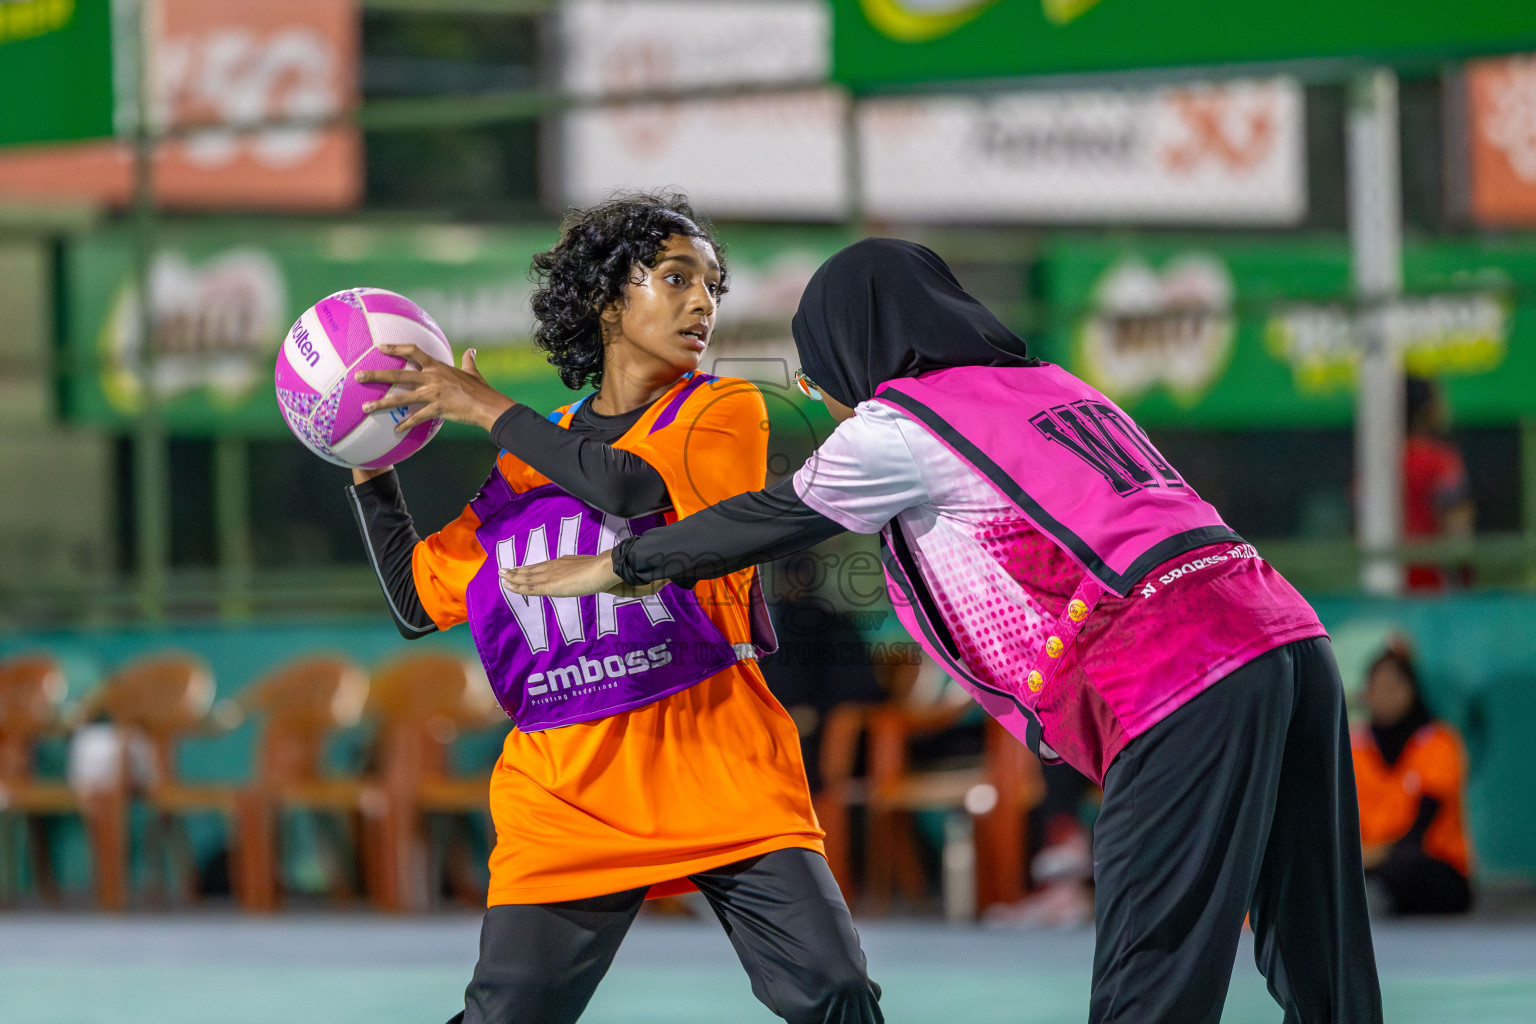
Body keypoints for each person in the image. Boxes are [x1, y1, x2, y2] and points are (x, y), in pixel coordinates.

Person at [501, 238, 1384, 1024]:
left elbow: (769, 518)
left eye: (819, 372)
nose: (820, 392)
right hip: (1286, 636)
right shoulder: (1054, 383)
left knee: (1153, 964)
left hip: (1176, 670)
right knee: (1319, 941)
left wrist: (620, 566)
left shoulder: (903, 423)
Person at [345, 193, 881, 1024]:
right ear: (605, 299)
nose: (702, 302)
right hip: (569, 794)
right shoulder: (527, 457)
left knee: (836, 991)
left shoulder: (720, 411)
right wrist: (365, 464)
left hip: (718, 771)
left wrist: (486, 407)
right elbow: (420, 598)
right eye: (675, 278)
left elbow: (631, 488)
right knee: (507, 1016)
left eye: (712, 286)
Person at [1352, 646, 1474, 915]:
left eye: (1394, 686)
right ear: (1366, 694)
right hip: (1366, 861)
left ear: (1412, 690)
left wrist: (1370, 857)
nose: (1386, 695)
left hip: (1431, 863)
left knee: (1406, 865)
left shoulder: (1439, 742)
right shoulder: (1353, 748)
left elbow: (1421, 829)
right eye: (1378, 687)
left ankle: (1372, 898)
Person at [1402, 374, 1474, 591]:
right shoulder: (1440, 461)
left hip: (1382, 582)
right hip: (1432, 586)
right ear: (1428, 408)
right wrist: (1466, 578)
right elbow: (1457, 528)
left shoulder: (1377, 465)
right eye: (1439, 399)